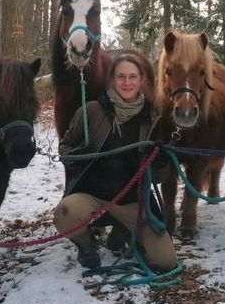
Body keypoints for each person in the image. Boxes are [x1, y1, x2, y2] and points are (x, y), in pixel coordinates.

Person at [53, 53, 177, 272]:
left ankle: (123, 232)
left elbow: (157, 178)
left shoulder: (152, 119)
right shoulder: (91, 111)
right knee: (65, 213)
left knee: (166, 262)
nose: (127, 82)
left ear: (141, 80)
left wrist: (160, 162)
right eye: (121, 77)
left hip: (133, 202)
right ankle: (86, 244)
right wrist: (77, 156)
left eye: (132, 77)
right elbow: (65, 147)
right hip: (92, 196)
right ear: (112, 80)